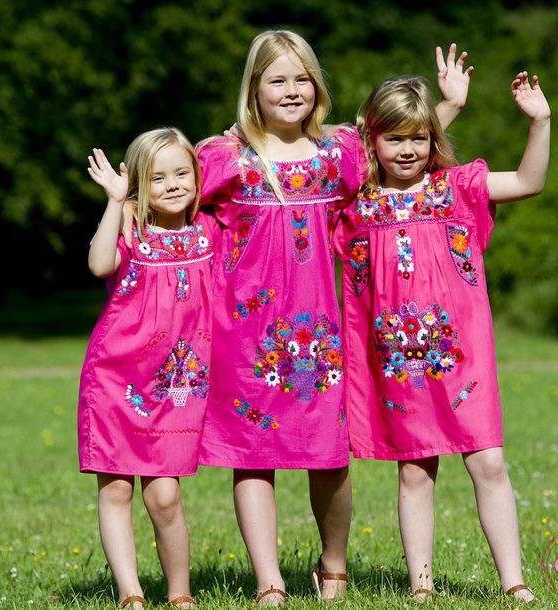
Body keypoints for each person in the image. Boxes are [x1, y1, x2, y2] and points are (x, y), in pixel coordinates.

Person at [191, 30, 472, 606]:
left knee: (329, 456)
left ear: (316, 85)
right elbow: (170, 197)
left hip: (325, 332)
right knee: (252, 459)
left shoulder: (339, 151)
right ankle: (268, 581)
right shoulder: (222, 158)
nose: (291, 90)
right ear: (254, 89)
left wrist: (450, 106)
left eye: (301, 78)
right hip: (246, 336)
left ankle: (334, 567)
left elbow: (404, 145)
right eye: (277, 80)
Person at [332, 72, 550, 604]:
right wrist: (444, 103)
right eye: (394, 139)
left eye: (419, 138)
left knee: (489, 463)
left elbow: (527, 182)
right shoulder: (355, 205)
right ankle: (421, 587)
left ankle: (513, 582)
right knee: (415, 471)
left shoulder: (456, 188)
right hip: (399, 365)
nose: (407, 150)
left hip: (462, 360)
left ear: (434, 140)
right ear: (372, 142)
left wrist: (540, 121)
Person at [78, 126, 219, 609]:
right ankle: (131, 595)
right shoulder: (131, 234)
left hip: (177, 386)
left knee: (164, 497)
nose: (173, 184)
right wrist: (116, 204)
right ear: (139, 184)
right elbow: (99, 265)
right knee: (115, 489)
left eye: (182, 173)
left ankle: (180, 594)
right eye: (158, 178)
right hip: (116, 381)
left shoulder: (209, 233)